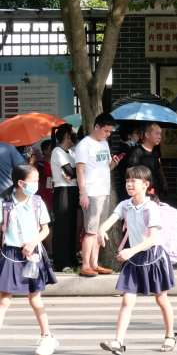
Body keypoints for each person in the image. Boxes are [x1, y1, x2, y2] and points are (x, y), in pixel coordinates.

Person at [97, 165, 177, 354]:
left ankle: (170, 335)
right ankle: (118, 342)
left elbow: (153, 239)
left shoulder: (151, 208)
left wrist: (130, 251)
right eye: (127, 180)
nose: (129, 184)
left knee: (161, 299)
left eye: (134, 181)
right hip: (134, 259)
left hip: (153, 257)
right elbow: (111, 219)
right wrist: (101, 229)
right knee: (127, 301)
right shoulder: (125, 205)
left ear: (145, 185)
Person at [0, 164, 59, 355]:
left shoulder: (37, 202)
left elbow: (45, 229)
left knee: (35, 298)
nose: (36, 184)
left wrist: (32, 243)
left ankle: (47, 337)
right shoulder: (5, 203)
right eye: (33, 181)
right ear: (20, 183)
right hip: (10, 254)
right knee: (4, 299)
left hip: (33, 254)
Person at [75, 113, 120, 277]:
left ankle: (94, 263)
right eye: (106, 131)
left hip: (104, 190)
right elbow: (79, 170)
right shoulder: (84, 145)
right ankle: (86, 264)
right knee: (91, 230)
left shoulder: (104, 143)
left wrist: (114, 163)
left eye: (110, 132)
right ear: (97, 127)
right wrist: (83, 193)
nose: (108, 134)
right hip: (92, 192)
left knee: (99, 229)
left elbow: (106, 167)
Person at [50, 124, 79, 273]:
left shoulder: (72, 152)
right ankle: (61, 262)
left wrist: (75, 172)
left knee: (72, 226)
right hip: (63, 191)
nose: (75, 137)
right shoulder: (57, 151)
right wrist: (75, 172)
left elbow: (76, 171)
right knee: (62, 227)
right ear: (67, 136)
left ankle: (71, 258)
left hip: (73, 190)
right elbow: (71, 171)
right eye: (72, 134)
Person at [127, 122, 167, 195]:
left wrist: (164, 184)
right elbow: (131, 173)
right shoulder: (137, 152)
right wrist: (145, 188)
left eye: (160, 134)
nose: (160, 137)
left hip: (155, 191)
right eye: (157, 133)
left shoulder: (155, 153)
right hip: (142, 192)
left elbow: (158, 170)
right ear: (147, 135)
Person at [115, 125, 140, 202]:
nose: (139, 135)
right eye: (136, 133)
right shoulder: (124, 149)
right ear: (129, 135)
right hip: (127, 183)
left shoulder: (133, 147)